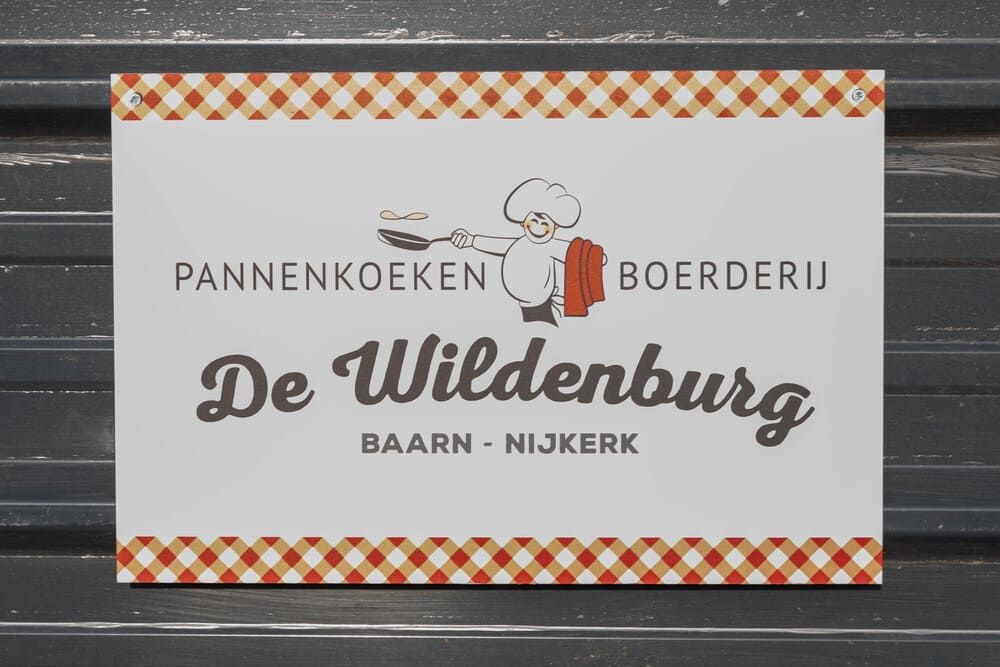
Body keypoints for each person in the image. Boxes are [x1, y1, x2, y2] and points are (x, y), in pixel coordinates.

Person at [451, 178, 604, 325]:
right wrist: (471, 240)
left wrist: (596, 258)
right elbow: (496, 244)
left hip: (540, 306)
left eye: (544, 224)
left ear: (555, 226)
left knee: (541, 327)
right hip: (526, 306)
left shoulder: (550, 246)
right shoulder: (518, 243)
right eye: (534, 221)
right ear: (523, 222)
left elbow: (578, 253)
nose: (538, 228)